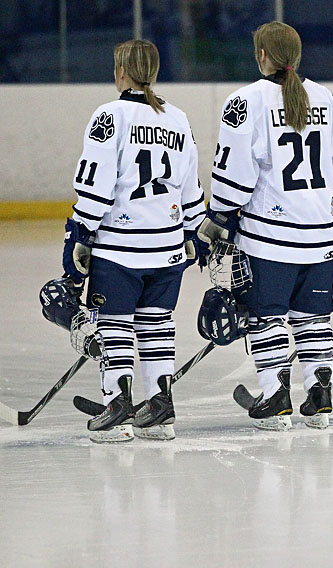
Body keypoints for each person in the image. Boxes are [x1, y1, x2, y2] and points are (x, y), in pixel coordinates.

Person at [198, 21, 333, 431]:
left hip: (270, 239)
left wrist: (220, 216)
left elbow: (234, 173)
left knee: (268, 317)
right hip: (319, 235)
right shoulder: (326, 98)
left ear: (262, 55)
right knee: (314, 318)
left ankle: (275, 396)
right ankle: (320, 396)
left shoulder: (246, 100)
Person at [62, 40, 205, 442]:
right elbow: (190, 186)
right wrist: (194, 228)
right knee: (157, 324)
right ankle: (160, 407)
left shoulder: (110, 115)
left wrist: (79, 232)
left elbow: (96, 184)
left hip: (120, 247)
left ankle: (117, 406)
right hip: (168, 244)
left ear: (121, 72)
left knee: (115, 326)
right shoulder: (178, 118)